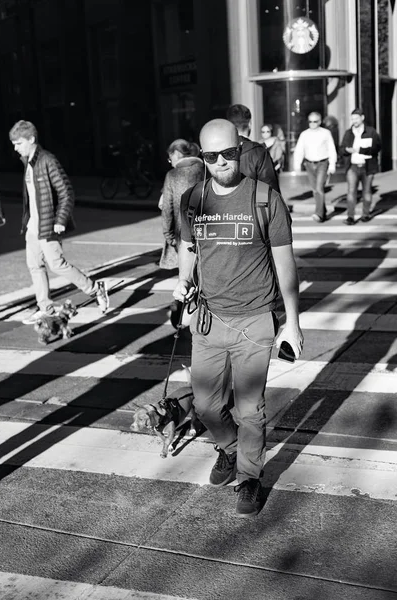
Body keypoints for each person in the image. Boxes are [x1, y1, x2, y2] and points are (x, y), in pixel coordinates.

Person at [173, 119, 303, 517]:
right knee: (206, 405)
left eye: (228, 154)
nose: (221, 163)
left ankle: (249, 477)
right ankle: (228, 449)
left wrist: (293, 321)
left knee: (250, 408)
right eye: (211, 157)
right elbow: (187, 247)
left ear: (240, 150)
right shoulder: (193, 199)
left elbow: (285, 264)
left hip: (255, 320)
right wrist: (181, 283)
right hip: (208, 319)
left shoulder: (265, 199)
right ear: (202, 155)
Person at [9, 120, 109, 325]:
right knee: (34, 265)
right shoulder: (28, 162)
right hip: (33, 226)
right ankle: (45, 307)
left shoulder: (47, 160)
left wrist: (60, 219)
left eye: (18, 143)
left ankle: (94, 288)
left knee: (57, 264)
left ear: (31, 139)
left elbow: (66, 191)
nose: (15, 147)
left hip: (47, 224)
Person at [159, 139, 204, 270]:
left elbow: (167, 208)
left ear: (177, 154)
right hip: (207, 229)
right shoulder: (204, 169)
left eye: (170, 157)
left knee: (186, 274)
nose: (170, 161)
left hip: (182, 234)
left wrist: (169, 236)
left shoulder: (172, 175)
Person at [339, 108, 381, 225]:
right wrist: (347, 150)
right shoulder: (348, 133)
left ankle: (365, 214)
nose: (354, 121)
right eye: (352, 119)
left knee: (367, 191)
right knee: (351, 191)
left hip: (367, 166)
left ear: (362, 118)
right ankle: (350, 216)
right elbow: (341, 148)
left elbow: (377, 147)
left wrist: (362, 149)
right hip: (352, 166)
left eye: (356, 118)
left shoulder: (371, 131)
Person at [293, 112, 337, 223]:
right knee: (315, 190)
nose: (312, 124)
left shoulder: (326, 133)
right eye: (310, 121)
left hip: (322, 163)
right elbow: (299, 150)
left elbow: (331, 149)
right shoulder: (304, 134)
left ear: (320, 121)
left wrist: (332, 165)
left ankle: (319, 214)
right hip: (309, 164)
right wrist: (297, 164)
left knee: (319, 188)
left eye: (315, 121)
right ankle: (323, 211)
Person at [226, 104, 280, 192]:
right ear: (250, 124)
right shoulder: (258, 152)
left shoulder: (216, 152)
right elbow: (266, 191)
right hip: (250, 204)